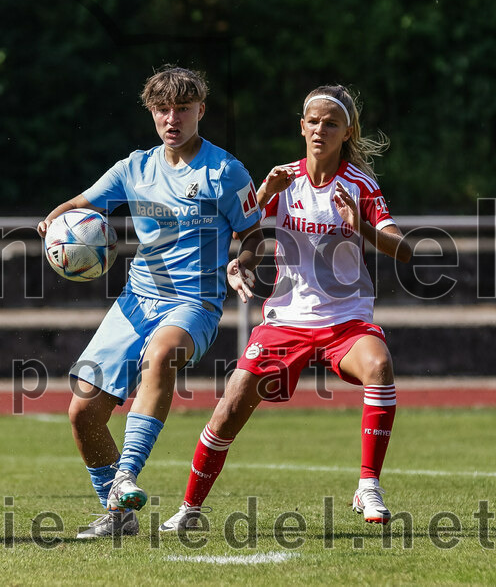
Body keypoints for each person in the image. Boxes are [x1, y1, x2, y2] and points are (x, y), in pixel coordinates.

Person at [160, 85, 411, 532]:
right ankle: (190, 508)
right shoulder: (283, 179)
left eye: (331, 123)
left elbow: (405, 251)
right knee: (230, 407)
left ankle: (368, 485)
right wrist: (252, 223)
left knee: (379, 366)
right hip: (286, 321)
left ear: (346, 131)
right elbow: (247, 237)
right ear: (301, 126)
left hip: (345, 321)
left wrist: (363, 228)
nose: (320, 130)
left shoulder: (362, 186)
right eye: (313, 121)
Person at [37, 66, 264, 538]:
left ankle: (126, 475)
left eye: (183, 108)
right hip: (137, 299)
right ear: (152, 113)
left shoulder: (226, 171)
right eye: (163, 109)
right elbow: (81, 204)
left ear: (201, 110)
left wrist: (242, 261)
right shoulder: (133, 169)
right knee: (82, 412)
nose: (172, 118)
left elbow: (253, 230)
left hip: (195, 304)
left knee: (160, 356)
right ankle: (119, 515)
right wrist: (53, 225)